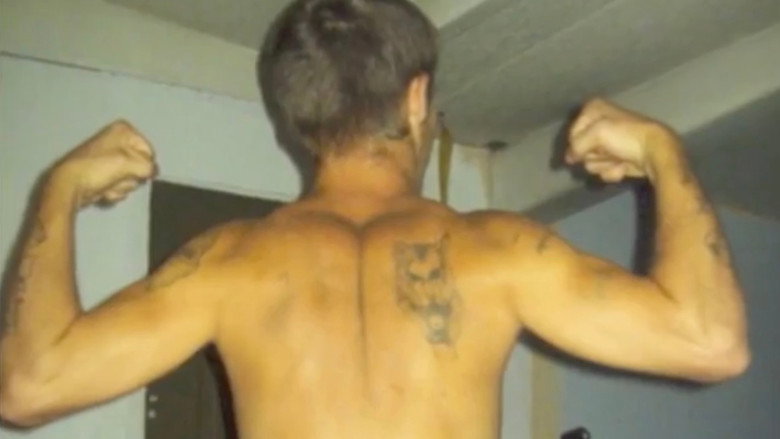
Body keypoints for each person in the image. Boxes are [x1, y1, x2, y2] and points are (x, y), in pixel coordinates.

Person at [0, 0, 750, 437]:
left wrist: (58, 190)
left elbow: (30, 385)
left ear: (302, 120)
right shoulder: (498, 252)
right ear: (416, 99)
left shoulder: (227, 264)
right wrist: (663, 151)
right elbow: (710, 341)